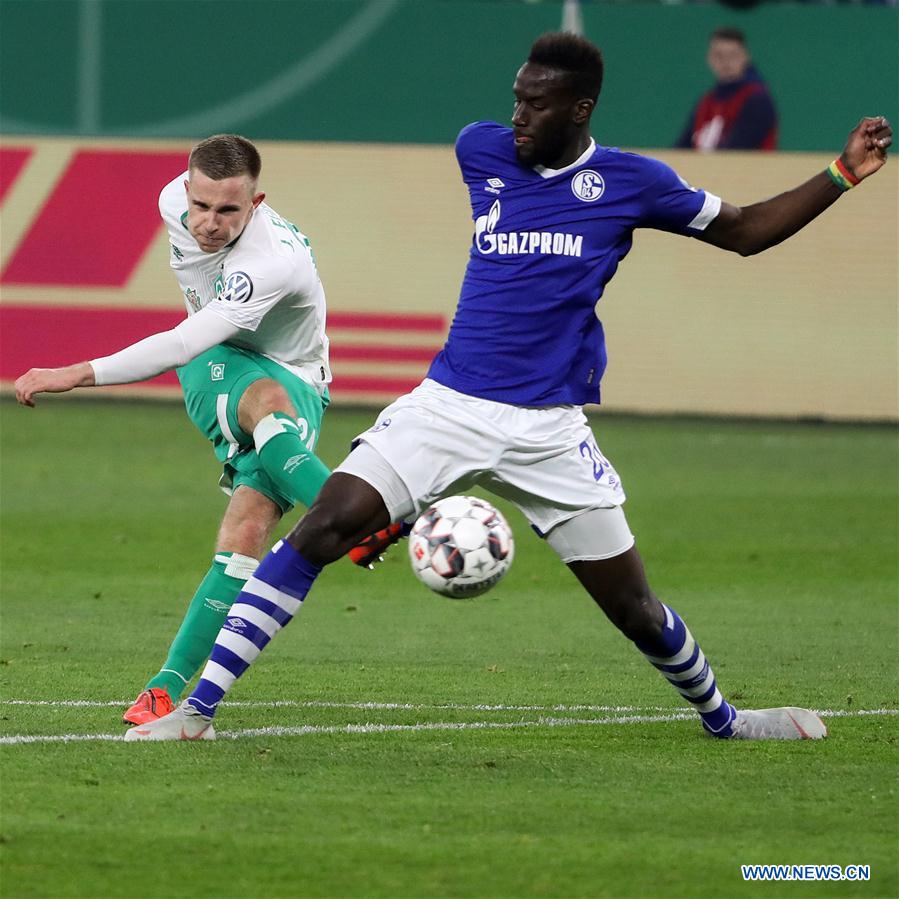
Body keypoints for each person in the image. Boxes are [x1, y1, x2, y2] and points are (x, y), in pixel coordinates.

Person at [125, 33, 891, 742]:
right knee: (323, 526)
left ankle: (725, 719)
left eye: (535, 103)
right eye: (516, 98)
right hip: (446, 405)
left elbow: (747, 229)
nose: (516, 115)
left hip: (548, 427)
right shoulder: (481, 151)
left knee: (632, 606)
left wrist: (839, 174)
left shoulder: (630, 182)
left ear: (579, 108)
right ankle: (198, 712)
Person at [14, 134, 400, 726]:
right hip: (218, 364)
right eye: (201, 205)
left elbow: (178, 340)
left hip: (302, 378)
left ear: (257, 202)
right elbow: (190, 344)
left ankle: (164, 689)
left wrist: (73, 373)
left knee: (245, 534)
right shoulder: (172, 201)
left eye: (228, 211)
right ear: (185, 190)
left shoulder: (268, 262)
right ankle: (359, 523)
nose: (209, 223)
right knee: (264, 401)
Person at [675, 27, 778, 151]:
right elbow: (682, 146)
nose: (725, 62)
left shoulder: (757, 99)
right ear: (709, 58)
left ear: (745, 57)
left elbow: (738, 150)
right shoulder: (707, 101)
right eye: (719, 55)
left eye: (732, 55)